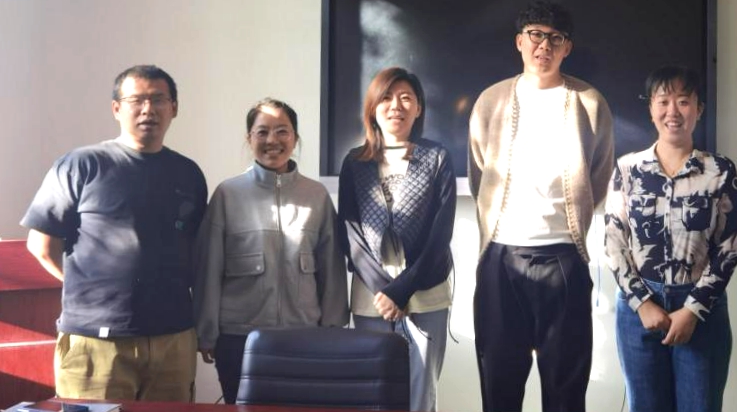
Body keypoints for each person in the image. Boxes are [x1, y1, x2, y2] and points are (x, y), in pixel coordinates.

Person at [20, 64, 208, 401]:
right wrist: (91, 289)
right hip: (95, 341)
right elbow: (41, 245)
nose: (148, 109)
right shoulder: (81, 164)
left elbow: (195, 250)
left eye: (158, 99)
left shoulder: (188, 173)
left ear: (174, 108)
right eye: (136, 100)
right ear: (117, 108)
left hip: (174, 339)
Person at [468, 0, 615, 412]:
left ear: (567, 48)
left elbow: (599, 173)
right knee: (499, 384)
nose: (544, 45)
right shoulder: (491, 100)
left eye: (555, 38)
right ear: (520, 41)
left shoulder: (589, 102)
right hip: (501, 257)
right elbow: (479, 172)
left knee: (565, 389)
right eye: (535, 35)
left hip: (564, 257)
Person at [605, 66, 737, 412]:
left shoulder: (720, 171)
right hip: (639, 310)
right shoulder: (628, 169)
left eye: (683, 101)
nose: (673, 111)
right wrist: (642, 303)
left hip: (701, 309)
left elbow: (728, 249)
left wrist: (693, 310)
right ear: (651, 108)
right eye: (663, 101)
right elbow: (614, 242)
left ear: (698, 109)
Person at [194, 98, 348, 404]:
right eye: (262, 132)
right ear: (249, 138)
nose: (272, 140)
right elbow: (208, 268)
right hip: (239, 338)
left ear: (295, 138)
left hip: (304, 335)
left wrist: (332, 329)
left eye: (282, 131)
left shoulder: (316, 195)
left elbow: (332, 268)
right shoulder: (227, 194)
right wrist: (207, 332)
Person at [338, 67, 457, 412]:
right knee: (372, 393)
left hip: (426, 292)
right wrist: (387, 292)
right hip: (372, 296)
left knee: (421, 394)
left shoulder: (436, 158)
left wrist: (402, 290)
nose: (396, 106)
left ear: (418, 107)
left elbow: (440, 236)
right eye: (387, 97)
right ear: (373, 107)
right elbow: (351, 234)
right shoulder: (354, 162)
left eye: (406, 98)